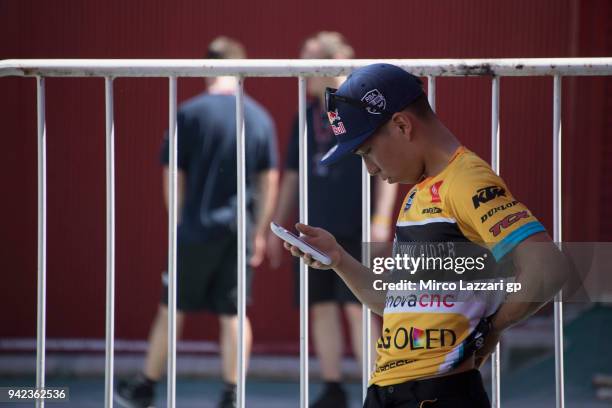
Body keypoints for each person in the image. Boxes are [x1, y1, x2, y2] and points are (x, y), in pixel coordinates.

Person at [283, 63, 570, 407]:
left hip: (437, 393)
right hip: (391, 391)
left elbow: (549, 269)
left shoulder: (467, 181)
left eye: (367, 152)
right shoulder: (420, 192)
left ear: (402, 125)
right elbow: (397, 303)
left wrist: (489, 332)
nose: (370, 168)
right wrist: (340, 261)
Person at [115, 36, 279, 408]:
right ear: (242, 68)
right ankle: (233, 392)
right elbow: (269, 178)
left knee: (171, 307)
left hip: (194, 229)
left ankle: (145, 387)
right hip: (238, 229)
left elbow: (173, 174)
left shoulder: (189, 113)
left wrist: (178, 222)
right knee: (234, 312)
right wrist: (257, 230)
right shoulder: (257, 116)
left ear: (206, 67)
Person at [267, 32, 397, 408]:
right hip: (314, 224)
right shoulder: (305, 116)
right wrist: (277, 225)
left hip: (356, 224)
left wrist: (381, 219)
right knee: (320, 306)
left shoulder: (363, 109)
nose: (301, 74)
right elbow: (292, 173)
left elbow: (386, 165)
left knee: (358, 306)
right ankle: (333, 387)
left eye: (306, 65)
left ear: (325, 64)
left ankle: (381, 385)